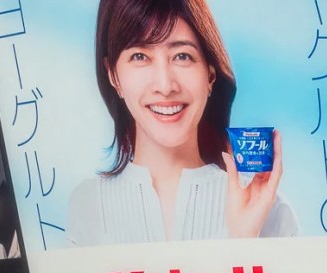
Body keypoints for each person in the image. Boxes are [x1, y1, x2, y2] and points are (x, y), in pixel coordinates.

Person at [67, 0, 297, 247]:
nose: (165, 86)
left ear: (210, 74)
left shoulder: (268, 209)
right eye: (140, 56)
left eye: (182, 56)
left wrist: (242, 242)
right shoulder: (88, 205)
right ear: (113, 74)